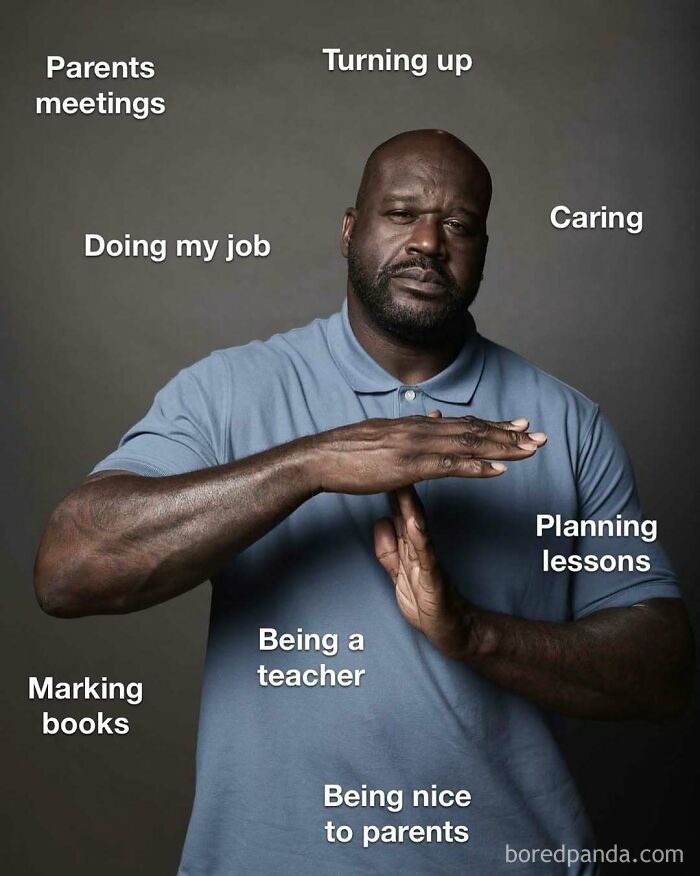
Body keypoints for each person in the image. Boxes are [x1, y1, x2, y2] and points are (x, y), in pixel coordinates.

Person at [35, 130, 693, 874]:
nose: (427, 242)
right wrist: (314, 461)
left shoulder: (565, 424)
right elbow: (68, 570)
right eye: (401, 212)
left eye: (459, 225)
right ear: (351, 228)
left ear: (482, 248)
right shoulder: (228, 390)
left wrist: (475, 635)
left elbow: (665, 670)